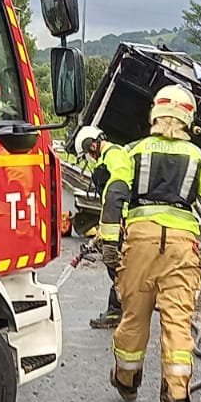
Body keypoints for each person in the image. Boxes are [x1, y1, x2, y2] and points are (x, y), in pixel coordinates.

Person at [99, 84, 201, 402]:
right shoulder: (199, 159)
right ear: (188, 118)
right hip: (181, 246)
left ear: (155, 115)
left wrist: (109, 243)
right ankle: (176, 397)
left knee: (134, 315)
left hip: (140, 242)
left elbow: (115, 196)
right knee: (178, 320)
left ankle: (127, 379)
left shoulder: (133, 152)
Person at [73, 125, 133, 328]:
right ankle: (120, 309)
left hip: (123, 221)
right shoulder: (108, 158)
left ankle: (122, 311)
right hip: (119, 219)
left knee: (117, 266)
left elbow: (117, 193)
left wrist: (112, 230)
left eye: (86, 154)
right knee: (117, 268)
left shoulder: (114, 155)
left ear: (91, 145)